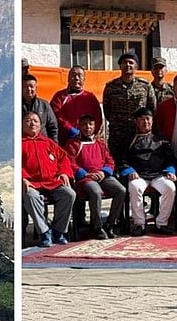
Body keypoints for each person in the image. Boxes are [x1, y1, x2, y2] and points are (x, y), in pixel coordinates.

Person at [65, 114, 126, 239]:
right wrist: (85, 174)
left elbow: (110, 161)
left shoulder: (100, 144)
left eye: (90, 124)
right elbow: (69, 162)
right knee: (96, 192)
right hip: (85, 178)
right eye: (84, 124)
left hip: (102, 175)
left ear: (94, 126)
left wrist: (104, 172)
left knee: (121, 190)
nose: (87, 127)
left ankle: (110, 224)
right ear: (79, 126)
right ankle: (97, 227)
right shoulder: (73, 144)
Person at [117, 107, 176, 236]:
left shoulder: (160, 138)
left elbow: (170, 158)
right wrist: (129, 170)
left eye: (148, 119)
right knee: (134, 187)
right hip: (139, 176)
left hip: (158, 175)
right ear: (136, 122)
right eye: (142, 120)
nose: (146, 122)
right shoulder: (129, 139)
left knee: (170, 187)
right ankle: (139, 223)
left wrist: (170, 171)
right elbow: (122, 159)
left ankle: (161, 223)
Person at [21, 111, 75, 247]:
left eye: (35, 121)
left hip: (52, 182)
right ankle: (44, 232)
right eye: (28, 121)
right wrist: (23, 178)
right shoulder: (19, 143)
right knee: (30, 196)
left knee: (69, 194)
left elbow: (64, 159)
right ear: (22, 124)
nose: (32, 123)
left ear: (40, 125)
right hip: (32, 183)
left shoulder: (48, 142)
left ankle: (58, 231)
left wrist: (63, 173)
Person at [102, 53, 157, 162]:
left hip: (138, 132)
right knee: (116, 162)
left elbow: (152, 108)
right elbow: (107, 110)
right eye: (124, 63)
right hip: (117, 133)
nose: (128, 65)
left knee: (139, 161)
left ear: (136, 67)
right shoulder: (111, 87)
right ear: (120, 66)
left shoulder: (145, 85)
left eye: (131, 63)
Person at [50, 65, 103, 146]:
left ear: (84, 79)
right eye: (73, 75)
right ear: (68, 78)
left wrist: (91, 133)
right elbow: (56, 115)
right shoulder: (60, 96)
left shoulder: (90, 97)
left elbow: (98, 117)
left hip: (87, 141)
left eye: (80, 76)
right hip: (65, 140)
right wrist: (70, 129)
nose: (77, 78)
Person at [22, 74, 59, 142]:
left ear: (36, 88)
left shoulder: (44, 104)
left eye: (31, 86)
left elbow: (53, 127)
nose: (29, 89)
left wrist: (54, 145)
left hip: (42, 144)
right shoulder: (15, 106)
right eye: (25, 87)